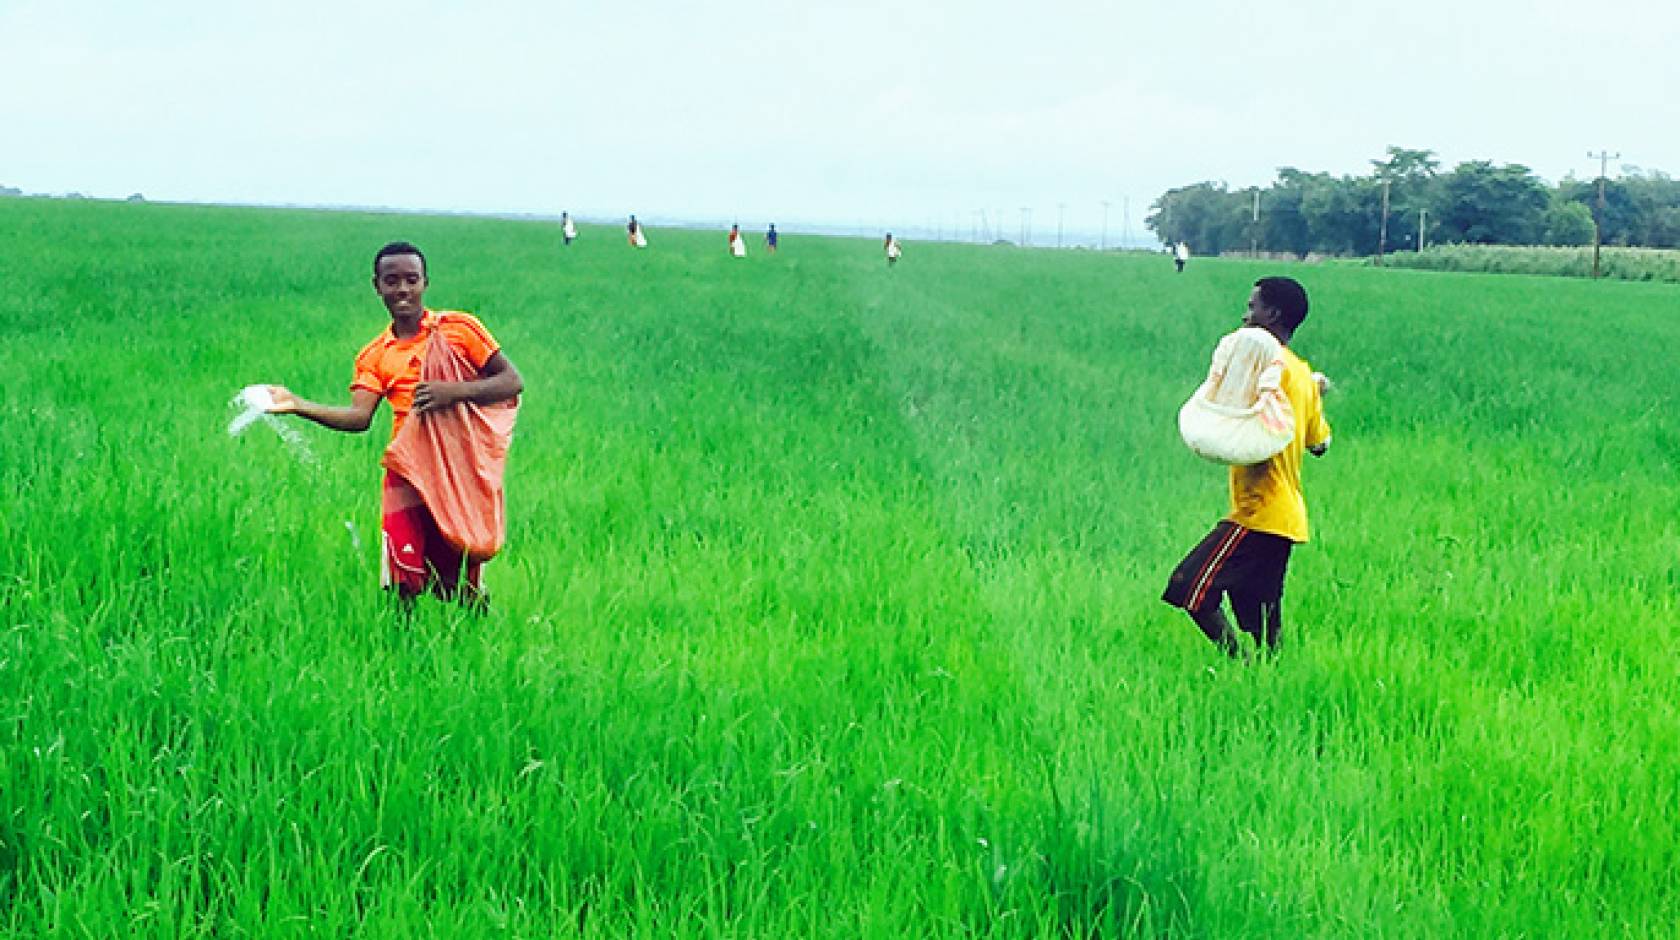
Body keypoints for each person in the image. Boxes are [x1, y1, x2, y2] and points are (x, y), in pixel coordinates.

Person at [265, 242, 524, 602]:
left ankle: (474, 633)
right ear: (377, 286)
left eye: (411, 280)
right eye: (391, 281)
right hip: (406, 470)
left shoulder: (458, 330)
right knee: (401, 576)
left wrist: (454, 392)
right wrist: (296, 404)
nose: (402, 289)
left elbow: (511, 381)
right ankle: (400, 635)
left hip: (453, 468)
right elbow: (359, 417)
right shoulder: (376, 355)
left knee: (458, 575)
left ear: (425, 282)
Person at [1162, 276, 1330, 656]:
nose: (1245, 315)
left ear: (1273, 314)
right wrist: (1315, 389)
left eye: (1253, 307)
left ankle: (1237, 664)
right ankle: (1270, 680)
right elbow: (1319, 444)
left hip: (1259, 513)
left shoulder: (1262, 366)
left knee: (1189, 586)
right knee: (1263, 621)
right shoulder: (1301, 374)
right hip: (1286, 518)